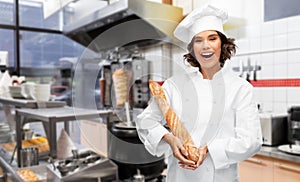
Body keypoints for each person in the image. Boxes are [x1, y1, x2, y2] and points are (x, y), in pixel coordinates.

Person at [136, 4, 262, 182]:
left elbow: (251, 140)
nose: (205, 46)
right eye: (198, 40)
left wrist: (210, 149)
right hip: (179, 177)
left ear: (223, 44)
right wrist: (169, 138)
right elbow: (145, 121)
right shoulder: (174, 85)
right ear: (192, 49)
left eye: (212, 38)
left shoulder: (240, 88)